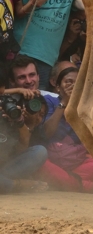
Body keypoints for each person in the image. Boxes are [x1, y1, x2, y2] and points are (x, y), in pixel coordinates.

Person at [39, 67, 93, 192]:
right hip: (53, 160)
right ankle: (86, 185)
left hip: (78, 162)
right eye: (68, 82)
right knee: (40, 163)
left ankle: (64, 182)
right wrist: (64, 102)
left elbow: (91, 141)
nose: (73, 86)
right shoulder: (49, 100)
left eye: (77, 83)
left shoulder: (87, 107)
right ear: (58, 87)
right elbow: (47, 133)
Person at [0, 65, 47, 193]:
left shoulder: (10, 106)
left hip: (4, 167)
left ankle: (4, 183)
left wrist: (20, 122)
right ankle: (15, 185)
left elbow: (21, 149)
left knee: (40, 151)